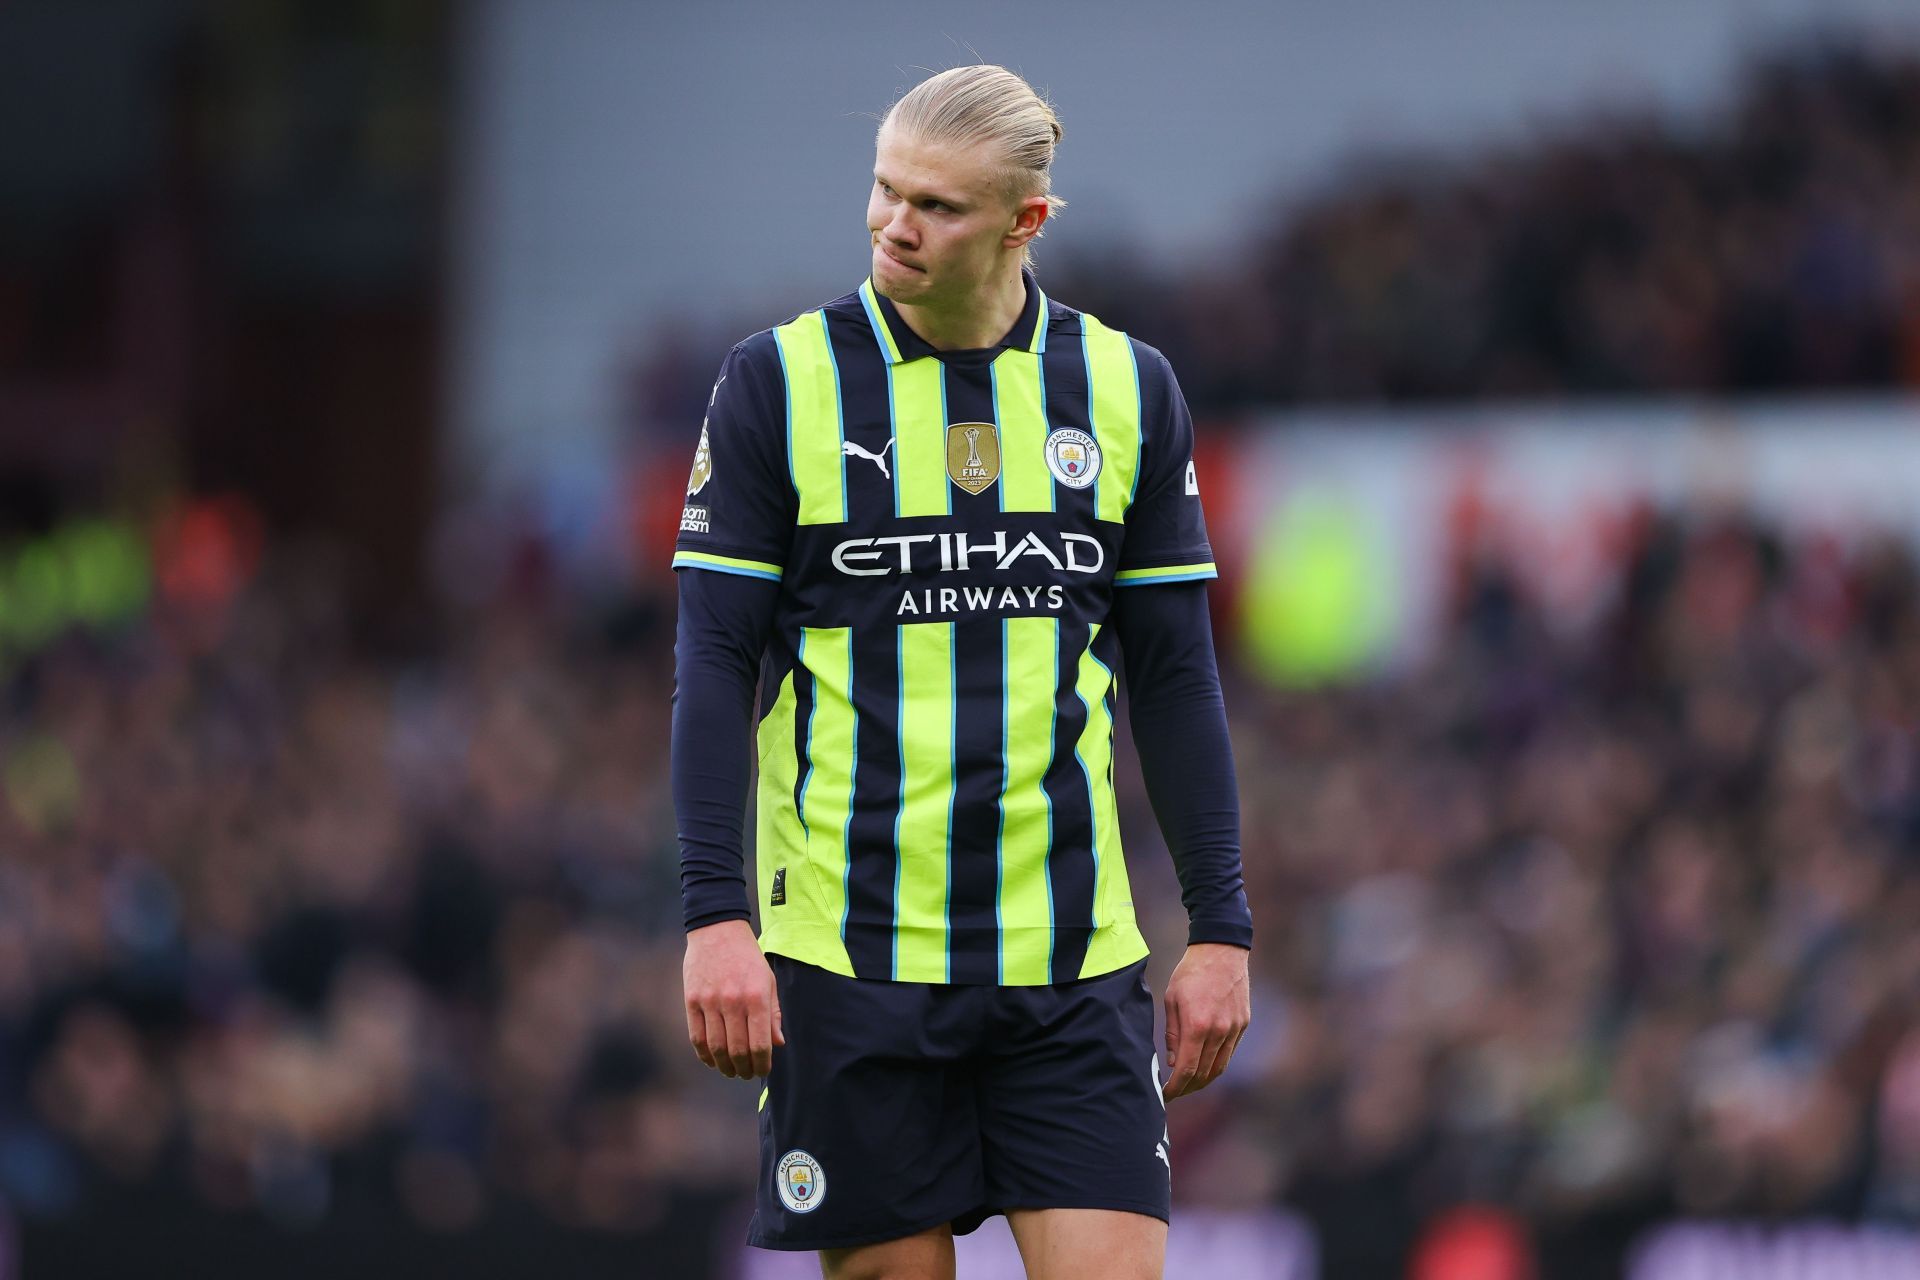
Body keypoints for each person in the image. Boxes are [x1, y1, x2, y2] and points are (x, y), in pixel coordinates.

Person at [671, 64, 1252, 1280]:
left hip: (1067, 958)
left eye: (935, 205)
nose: (894, 224)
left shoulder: (1127, 390)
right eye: (884, 191)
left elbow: (1177, 681)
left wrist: (1221, 925)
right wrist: (714, 915)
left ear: (1025, 223)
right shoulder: (777, 383)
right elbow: (714, 661)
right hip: (850, 955)